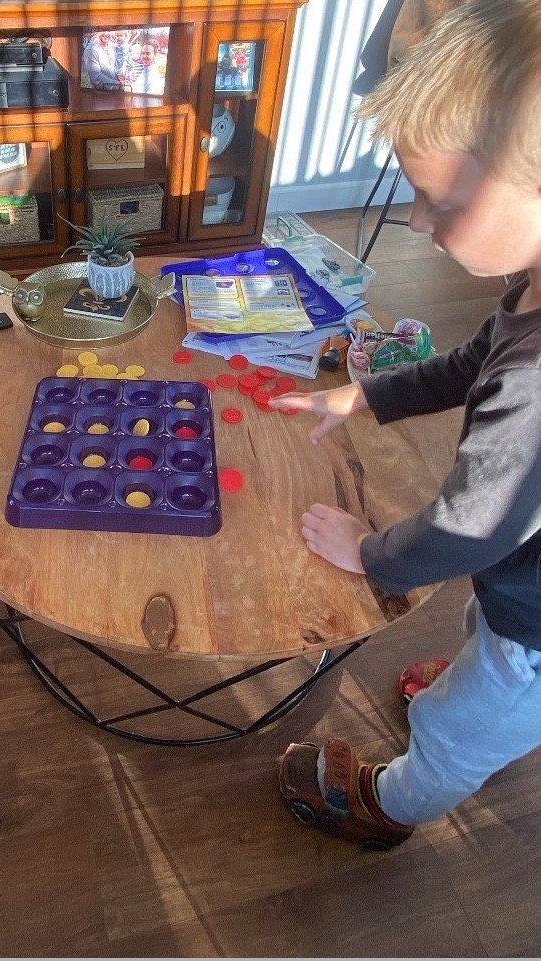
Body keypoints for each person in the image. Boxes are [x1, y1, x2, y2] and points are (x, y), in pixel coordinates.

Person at [272, 0, 541, 848]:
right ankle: (490, 680)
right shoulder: (533, 289)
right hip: (521, 599)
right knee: (491, 641)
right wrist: (364, 395)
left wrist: (369, 551)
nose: (416, 222)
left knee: (464, 728)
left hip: (536, 628)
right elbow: (471, 362)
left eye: (434, 199)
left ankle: (390, 805)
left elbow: (469, 532)